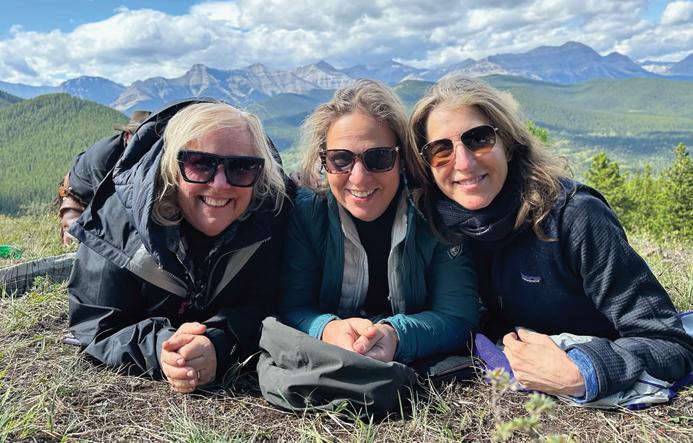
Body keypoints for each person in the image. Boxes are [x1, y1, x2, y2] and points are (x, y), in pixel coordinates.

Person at [409, 75, 693, 402]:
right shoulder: (441, 226)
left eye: (479, 139)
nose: (463, 162)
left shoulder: (576, 218)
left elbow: (670, 343)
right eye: (440, 150)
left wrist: (584, 371)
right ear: (427, 165)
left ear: (508, 145)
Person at [68, 100, 289, 393]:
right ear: (172, 168)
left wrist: (219, 341)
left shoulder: (272, 217)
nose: (220, 184)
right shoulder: (116, 225)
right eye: (200, 163)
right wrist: (164, 348)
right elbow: (96, 325)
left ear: (260, 173)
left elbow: (270, 304)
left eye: (242, 167)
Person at [278, 79, 479, 365]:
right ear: (324, 161)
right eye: (340, 159)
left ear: (402, 159)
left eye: (379, 157)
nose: (359, 177)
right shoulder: (308, 213)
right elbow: (292, 307)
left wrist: (396, 335)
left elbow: (457, 316)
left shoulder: (436, 214)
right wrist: (328, 329)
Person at [58, 110, 151, 244]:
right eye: (139, 138)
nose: (144, 143)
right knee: (84, 244)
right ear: (127, 135)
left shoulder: (144, 152)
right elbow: (105, 208)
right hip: (78, 201)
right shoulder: (104, 158)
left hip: (105, 197)